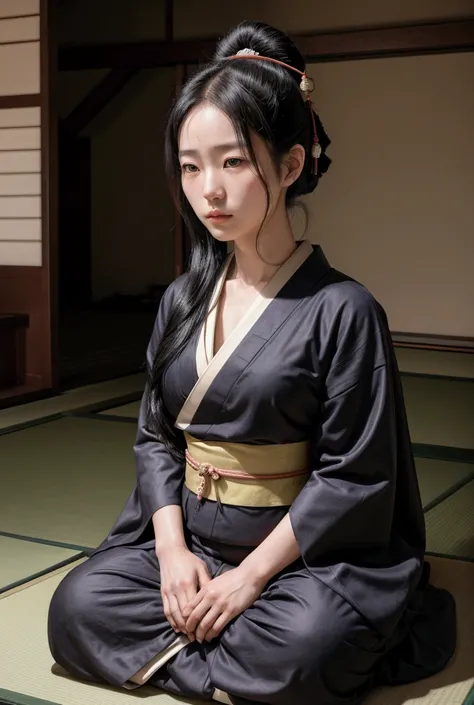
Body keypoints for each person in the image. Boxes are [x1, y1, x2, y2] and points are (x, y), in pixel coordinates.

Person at [48, 20, 456, 705]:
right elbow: (156, 438)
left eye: (233, 161)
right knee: (75, 607)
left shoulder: (343, 309)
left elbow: (354, 476)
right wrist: (174, 556)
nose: (208, 190)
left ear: (291, 165)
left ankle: (191, 651)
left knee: (306, 641)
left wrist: (248, 579)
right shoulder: (181, 299)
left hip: (299, 560)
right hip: (191, 541)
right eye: (189, 165)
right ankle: (233, 666)